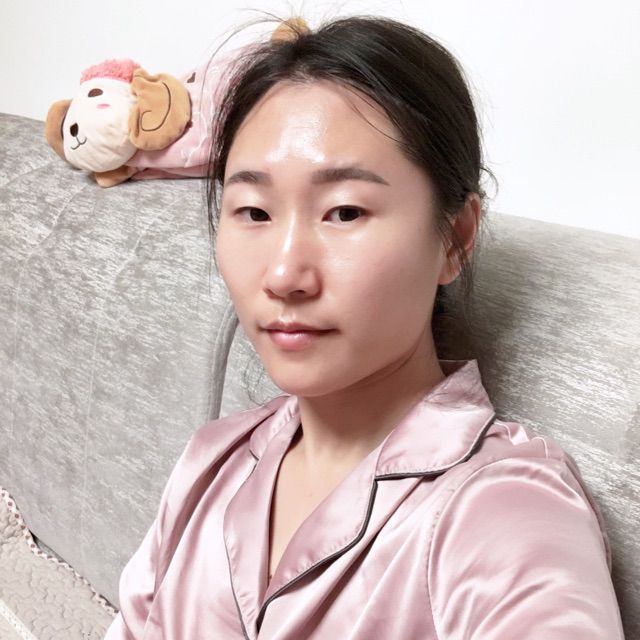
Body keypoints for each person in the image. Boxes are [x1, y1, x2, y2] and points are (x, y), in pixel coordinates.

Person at [104, 14, 624, 639]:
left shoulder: (502, 511)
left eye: (345, 211)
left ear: (454, 238)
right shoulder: (212, 461)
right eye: (254, 212)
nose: (284, 274)